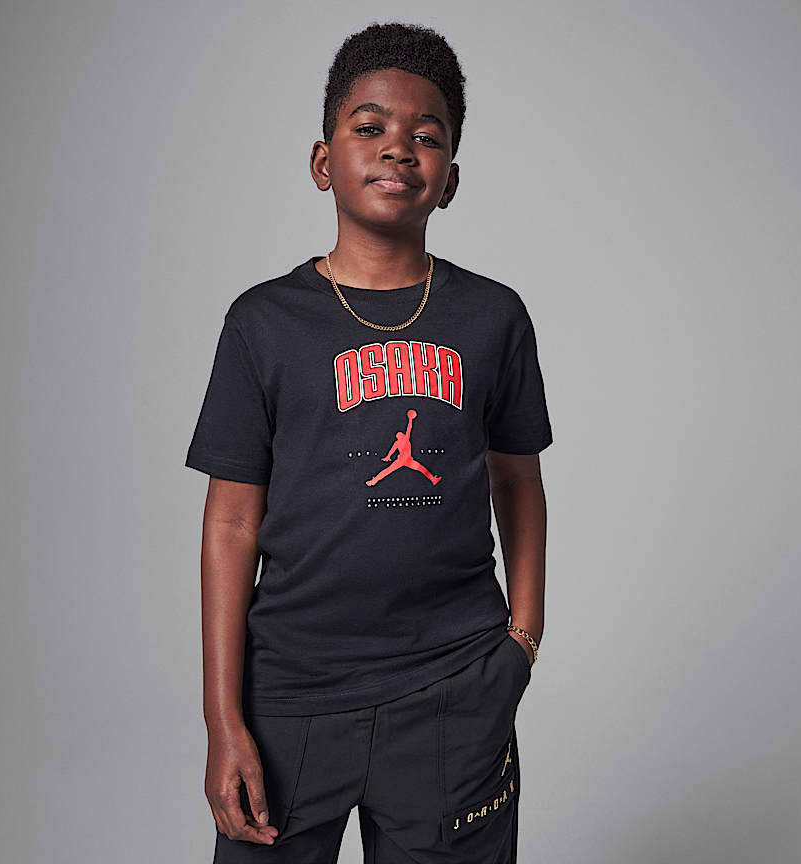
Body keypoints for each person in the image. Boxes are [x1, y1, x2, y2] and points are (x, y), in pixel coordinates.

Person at [185, 20, 553, 864]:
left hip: (455, 690)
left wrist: (524, 638)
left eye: (427, 136)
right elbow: (231, 521)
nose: (399, 148)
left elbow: (517, 480)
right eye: (370, 127)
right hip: (289, 698)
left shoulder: (493, 317)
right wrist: (222, 718)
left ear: (449, 180)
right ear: (324, 161)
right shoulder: (263, 323)